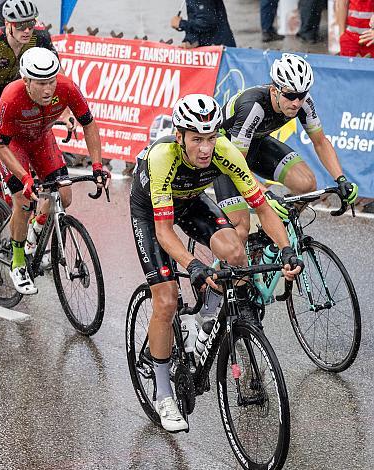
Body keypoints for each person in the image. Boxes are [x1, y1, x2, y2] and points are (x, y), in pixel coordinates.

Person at [129, 94, 303, 432]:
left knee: (236, 252)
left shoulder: (225, 150)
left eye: (210, 138)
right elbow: (164, 232)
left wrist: (286, 249)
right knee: (165, 300)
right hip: (151, 215)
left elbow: (263, 209)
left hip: (192, 202)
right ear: (180, 137)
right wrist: (193, 264)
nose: (205, 148)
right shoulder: (163, 158)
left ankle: (205, 320)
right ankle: (163, 394)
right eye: (197, 139)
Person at [0, 47, 109, 294]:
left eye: (51, 81)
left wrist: (97, 165)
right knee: (23, 201)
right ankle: (18, 263)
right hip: (12, 145)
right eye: (42, 83)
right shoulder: (11, 96)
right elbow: (0, 144)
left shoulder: (66, 87)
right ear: (26, 81)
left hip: (41, 139)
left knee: (64, 196)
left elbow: (89, 124)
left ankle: (35, 233)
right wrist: (24, 177)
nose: (48, 89)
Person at [214, 53, 358, 244]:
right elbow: (237, 164)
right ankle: (233, 270)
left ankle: (270, 237)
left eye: (302, 95)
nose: (297, 102)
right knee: (240, 230)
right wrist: (265, 194)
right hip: (225, 158)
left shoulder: (303, 103)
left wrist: (341, 179)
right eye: (290, 95)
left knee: (306, 184)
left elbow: (320, 142)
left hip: (256, 144)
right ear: (274, 90)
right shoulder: (253, 106)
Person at [0, 0, 55, 198]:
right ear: (8, 23)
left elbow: (54, 75)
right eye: (20, 25)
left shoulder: (40, 36)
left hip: (14, 87)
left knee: (26, 139)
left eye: (30, 24)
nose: (26, 30)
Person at [170, 0, 236, 47]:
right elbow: (196, 18)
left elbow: (207, 22)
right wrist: (190, 40)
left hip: (220, 49)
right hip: (211, 46)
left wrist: (181, 23)